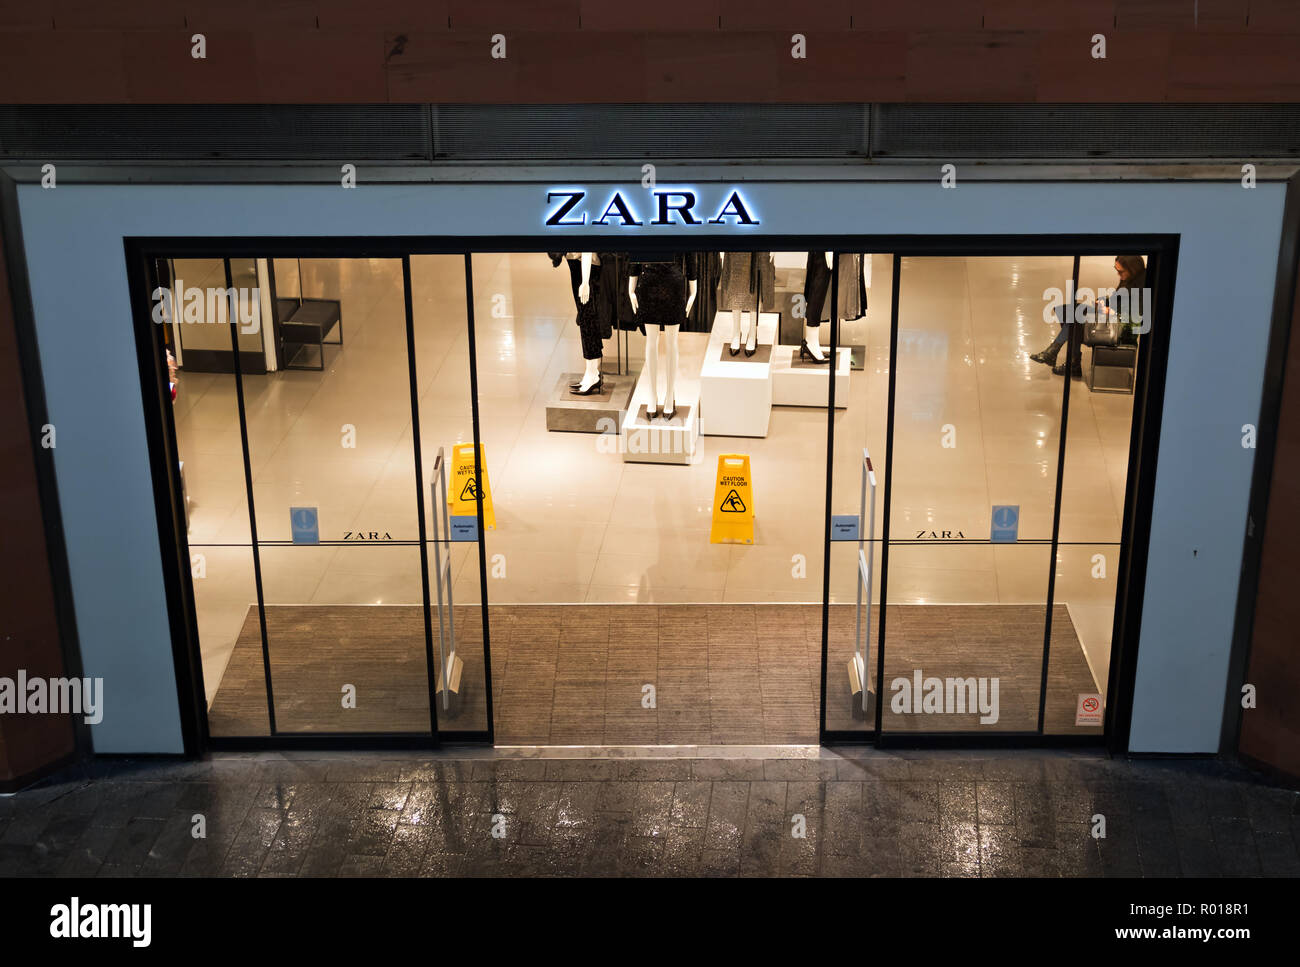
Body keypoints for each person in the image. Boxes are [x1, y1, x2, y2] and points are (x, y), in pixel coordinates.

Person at [1030, 255, 1147, 379]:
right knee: (1065, 310)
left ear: (1132, 269)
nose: (1118, 274)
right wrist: (1102, 302)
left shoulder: (1141, 288)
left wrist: (1110, 312)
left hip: (1119, 332)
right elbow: (1116, 301)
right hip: (1110, 321)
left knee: (1074, 318)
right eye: (1116, 270)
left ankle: (1060, 356)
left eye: (1120, 271)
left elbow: (1134, 320)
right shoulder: (1129, 280)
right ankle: (1061, 356)